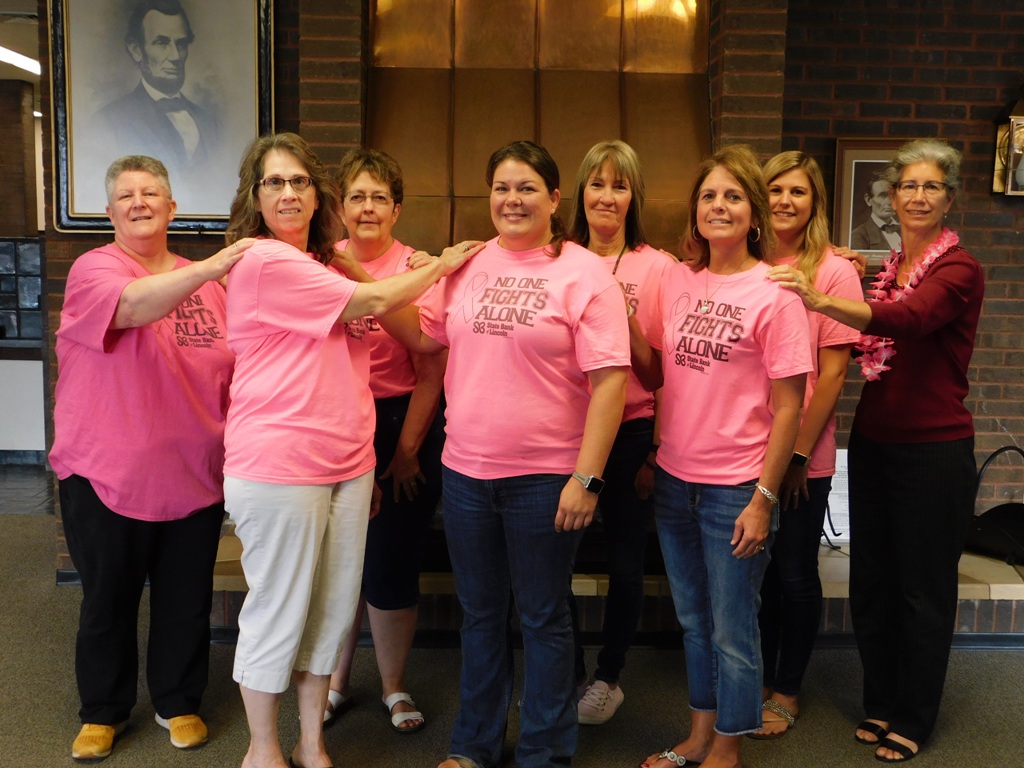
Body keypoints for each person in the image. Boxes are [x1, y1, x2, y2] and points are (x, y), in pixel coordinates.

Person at [221, 132, 482, 768]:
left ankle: (311, 742)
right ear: (255, 197)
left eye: (300, 181)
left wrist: (374, 458)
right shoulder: (264, 260)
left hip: (348, 462)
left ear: (318, 196)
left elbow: (410, 345)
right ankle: (263, 749)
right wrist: (443, 264)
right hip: (281, 465)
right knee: (280, 609)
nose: (289, 193)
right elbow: (375, 300)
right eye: (274, 182)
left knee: (333, 611)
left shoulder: (321, 263)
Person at [380, 140, 630, 768]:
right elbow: (423, 337)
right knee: (480, 616)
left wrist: (587, 479)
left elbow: (610, 383)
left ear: (554, 199)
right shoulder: (466, 264)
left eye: (526, 188)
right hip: (466, 474)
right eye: (501, 188)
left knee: (544, 618)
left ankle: (545, 752)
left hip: (547, 479)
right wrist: (365, 284)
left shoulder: (583, 273)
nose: (512, 200)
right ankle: (474, 747)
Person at [768, 138, 984, 763]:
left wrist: (821, 297)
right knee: (873, 583)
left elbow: (910, 319)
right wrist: (845, 265)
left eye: (931, 186)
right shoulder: (887, 268)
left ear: (948, 198)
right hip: (875, 443)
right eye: (908, 185)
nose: (918, 196)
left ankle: (914, 716)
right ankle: (882, 701)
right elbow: (885, 301)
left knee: (922, 590)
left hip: (934, 450)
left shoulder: (959, 269)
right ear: (892, 195)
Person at [49, 155, 253, 761]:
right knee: (107, 601)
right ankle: (102, 711)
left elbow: (236, 369)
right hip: (106, 475)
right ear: (110, 212)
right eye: (126, 195)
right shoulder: (95, 270)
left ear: (171, 207)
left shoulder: (209, 287)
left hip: (193, 474)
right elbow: (133, 307)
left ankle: (178, 701)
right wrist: (216, 265)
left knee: (185, 600)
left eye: (151, 193)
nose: (139, 202)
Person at [630, 144, 812, 768]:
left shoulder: (776, 294)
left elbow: (789, 408)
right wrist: (625, 323)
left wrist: (763, 500)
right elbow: (656, 373)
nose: (719, 206)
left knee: (734, 627)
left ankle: (728, 748)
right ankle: (698, 734)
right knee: (693, 620)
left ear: (754, 213)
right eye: (708, 195)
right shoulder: (677, 279)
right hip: (675, 480)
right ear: (695, 211)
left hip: (737, 488)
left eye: (733, 196)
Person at [325, 148, 446, 733]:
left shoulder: (418, 267)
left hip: (403, 422)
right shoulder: (318, 261)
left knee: (392, 560)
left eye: (379, 197)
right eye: (357, 197)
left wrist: (406, 453)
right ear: (340, 207)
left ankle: (394, 686)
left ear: (396, 209)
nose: (367, 207)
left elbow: (432, 367)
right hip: (334, 423)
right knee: (336, 564)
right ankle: (336, 683)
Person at [751, 151, 863, 739]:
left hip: (802, 455)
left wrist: (797, 456)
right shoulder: (747, 261)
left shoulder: (833, 271)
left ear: (815, 202)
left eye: (798, 191)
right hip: (745, 448)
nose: (785, 201)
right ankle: (757, 677)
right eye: (775, 189)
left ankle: (787, 688)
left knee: (793, 571)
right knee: (757, 574)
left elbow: (834, 376)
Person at [565, 140, 675, 725]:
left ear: (634, 197)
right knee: (553, 561)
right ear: (580, 193)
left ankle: (609, 677)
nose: (607, 196)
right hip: (565, 434)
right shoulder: (558, 257)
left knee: (626, 564)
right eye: (597, 183)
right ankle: (569, 675)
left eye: (620, 185)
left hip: (631, 432)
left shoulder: (658, 267)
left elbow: (661, 373)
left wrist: (621, 313)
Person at [95, 0, 221, 187]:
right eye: (162, 43)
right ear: (136, 50)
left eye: (181, 44)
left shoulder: (209, 121)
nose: (175, 56)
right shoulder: (109, 122)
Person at [850, 176, 900, 252]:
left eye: (893, 195)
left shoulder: (907, 231)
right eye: (883, 196)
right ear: (868, 200)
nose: (889, 202)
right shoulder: (858, 236)